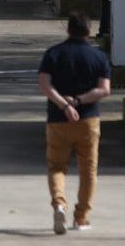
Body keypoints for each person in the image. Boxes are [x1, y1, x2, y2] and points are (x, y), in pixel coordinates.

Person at [38, 14, 112, 235]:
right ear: (88, 32)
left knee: (56, 166)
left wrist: (63, 105)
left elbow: (44, 84)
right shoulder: (98, 57)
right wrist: (78, 102)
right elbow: (104, 89)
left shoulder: (54, 54)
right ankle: (81, 218)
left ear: (68, 31)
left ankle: (59, 204)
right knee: (88, 170)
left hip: (58, 120)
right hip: (88, 119)